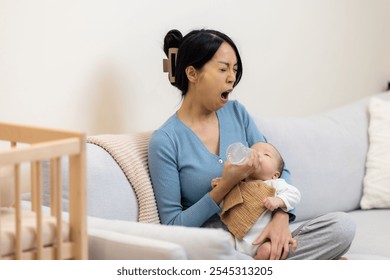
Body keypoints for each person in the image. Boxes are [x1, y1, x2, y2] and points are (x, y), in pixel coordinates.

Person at [148, 28, 355, 259]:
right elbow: (173, 226)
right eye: (223, 68)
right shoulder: (165, 141)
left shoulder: (237, 113)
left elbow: (279, 169)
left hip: (260, 233)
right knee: (225, 255)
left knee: (342, 226)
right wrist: (225, 186)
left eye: (235, 70)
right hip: (219, 245)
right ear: (192, 74)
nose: (232, 78)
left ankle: (269, 263)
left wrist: (280, 217)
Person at [211, 142, 301, 260]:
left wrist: (279, 200)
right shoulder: (238, 185)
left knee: (267, 250)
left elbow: (294, 194)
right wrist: (221, 187)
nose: (257, 155)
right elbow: (227, 208)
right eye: (252, 152)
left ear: (275, 175)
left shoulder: (274, 184)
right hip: (236, 240)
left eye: (266, 155)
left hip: (262, 242)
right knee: (221, 240)